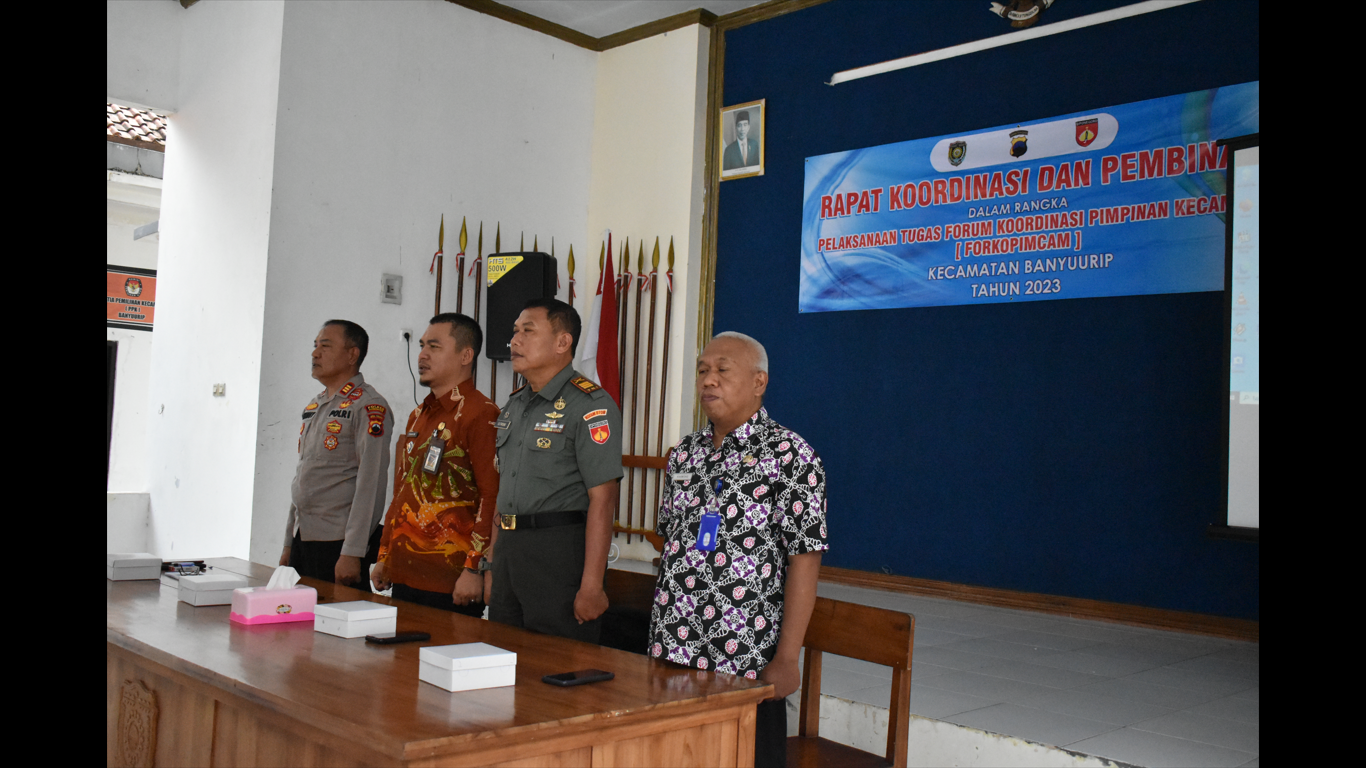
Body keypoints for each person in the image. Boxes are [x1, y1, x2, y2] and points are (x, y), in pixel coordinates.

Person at [649, 331, 828, 768]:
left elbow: (804, 561)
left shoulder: (791, 455)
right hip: (675, 644)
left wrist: (787, 657)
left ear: (758, 382)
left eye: (722, 371)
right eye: (703, 370)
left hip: (745, 653)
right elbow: (669, 539)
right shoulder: (685, 455)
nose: (709, 380)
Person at [490, 298, 623, 642]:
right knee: (500, 659)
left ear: (563, 343)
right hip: (509, 550)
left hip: (557, 551)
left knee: (556, 668)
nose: (514, 341)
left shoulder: (589, 405)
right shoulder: (514, 405)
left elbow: (604, 499)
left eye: (528, 331)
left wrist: (592, 585)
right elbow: (503, 490)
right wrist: (491, 564)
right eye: (515, 332)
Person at [371, 313, 499, 616]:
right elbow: (403, 490)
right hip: (404, 572)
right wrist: (385, 553)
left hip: (451, 580)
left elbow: (492, 497)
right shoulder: (419, 414)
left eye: (434, 346)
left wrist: (474, 568)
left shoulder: (481, 414)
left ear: (466, 355)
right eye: (421, 345)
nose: (422, 355)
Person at [281, 320, 394, 586]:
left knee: (333, 623)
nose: (315, 353)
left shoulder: (368, 406)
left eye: (325, 346)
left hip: (338, 543)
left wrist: (353, 551)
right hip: (304, 537)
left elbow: (371, 484)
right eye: (315, 346)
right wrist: (288, 542)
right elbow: (303, 477)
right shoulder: (316, 404)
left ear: (352, 354)